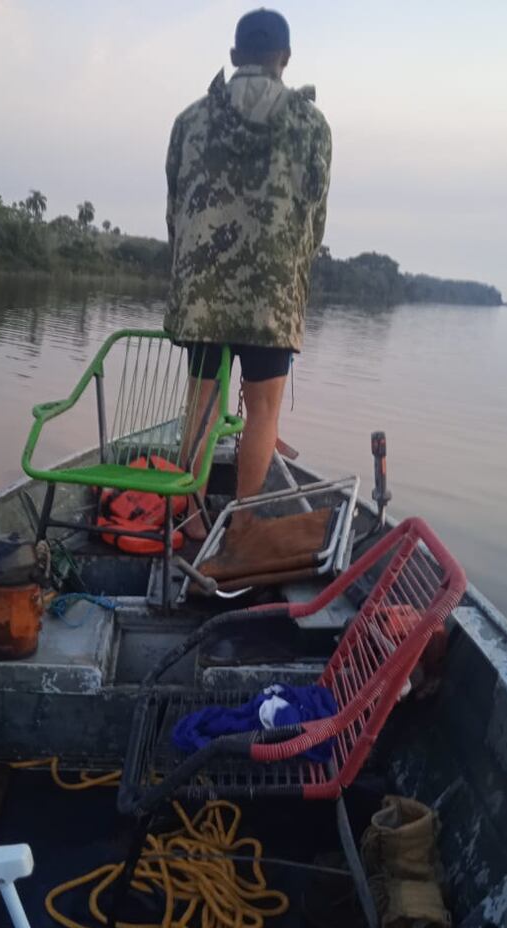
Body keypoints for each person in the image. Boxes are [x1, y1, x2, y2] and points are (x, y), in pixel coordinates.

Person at [164, 8, 332, 538]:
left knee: (203, 404)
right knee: (262, 413)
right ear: (284, 59)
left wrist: (192, 275)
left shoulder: (189, 121)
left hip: (203, 294)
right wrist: (291, 276)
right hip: (270, 298)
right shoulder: (311, 125)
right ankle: (241, 524)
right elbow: (314, 215)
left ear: (235, 57)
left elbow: (175, 209)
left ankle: (190, 517)